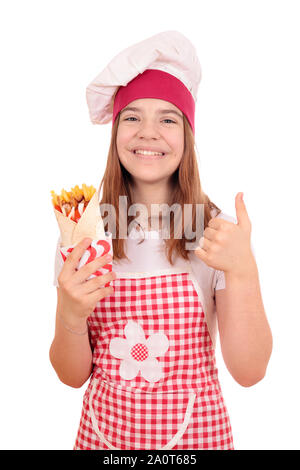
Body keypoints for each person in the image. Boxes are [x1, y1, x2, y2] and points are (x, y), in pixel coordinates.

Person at [49, 31, 272, 450]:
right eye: (131, 117)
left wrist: (242, 270)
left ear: (188, 135)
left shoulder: (216, 232)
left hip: (195, 440)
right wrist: (71, 314)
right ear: (115, 132)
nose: (147, 132)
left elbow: (250, 370)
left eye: (167, 119)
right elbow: (71, 375)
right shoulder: (84, 232)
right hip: (104, 440)